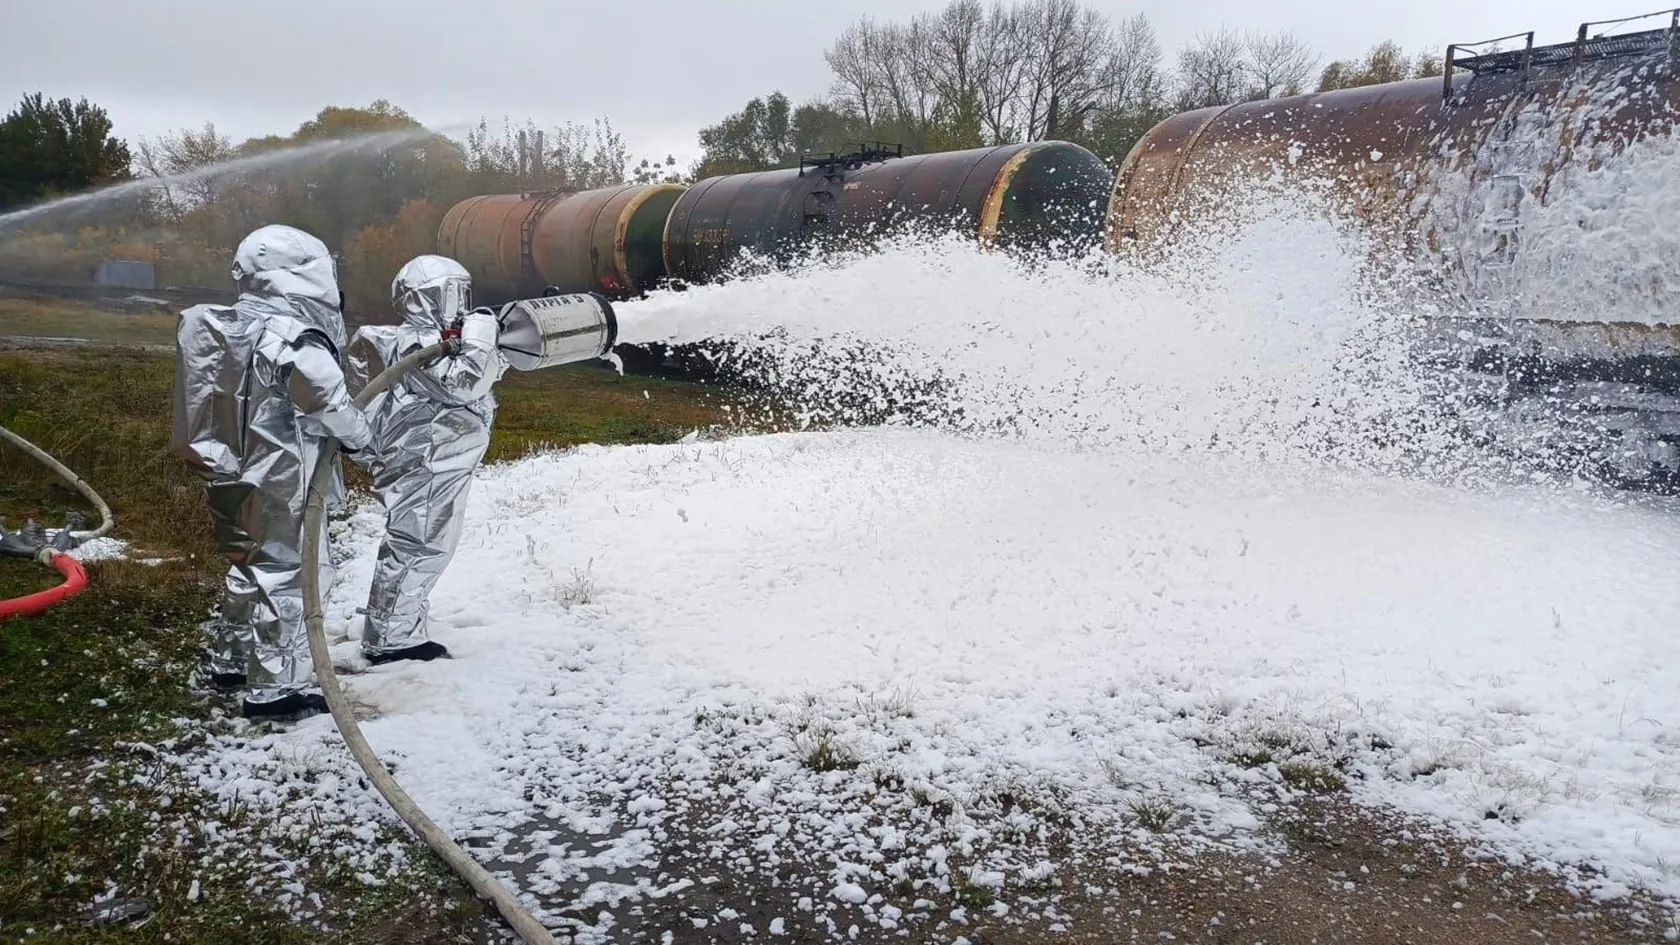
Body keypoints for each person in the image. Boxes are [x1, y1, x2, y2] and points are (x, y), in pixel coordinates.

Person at [171, 224, 371, 719]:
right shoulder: (291, 334)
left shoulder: (214, 325)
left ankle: (231, 659)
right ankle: (276, 687)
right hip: (283, 477)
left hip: (225, 471)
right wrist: (363, 441)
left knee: (246, 564)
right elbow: (327, 400)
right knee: (294, 574)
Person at [345, 255, 507, 664]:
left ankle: (399, 619)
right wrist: (482, 333)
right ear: (427, 296)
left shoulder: (430, 340)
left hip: (437, 459)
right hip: (427, 459)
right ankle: (391, 638)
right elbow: (465, 383)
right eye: (453, 292)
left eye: (464, 292)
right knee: (420, 544)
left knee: (422, 541)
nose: (461, 301)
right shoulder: (418, 343)